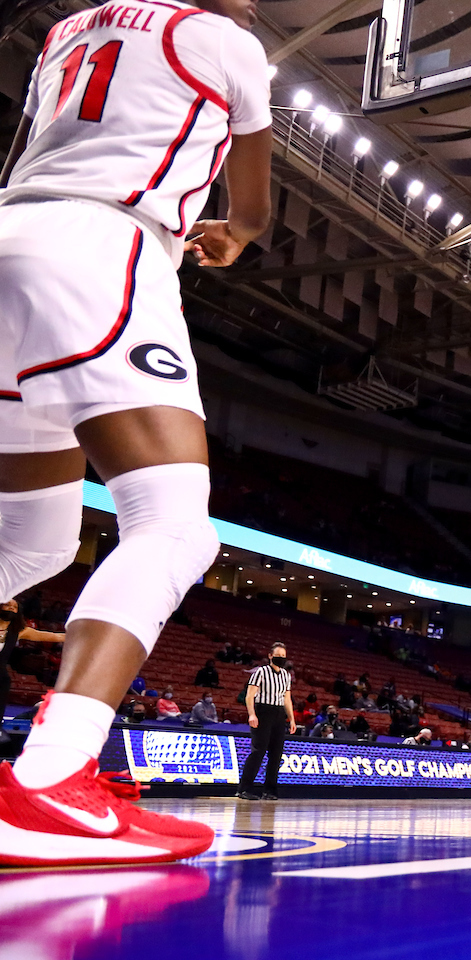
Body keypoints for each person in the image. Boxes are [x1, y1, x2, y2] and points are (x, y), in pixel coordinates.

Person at [0, 0, 273, 866]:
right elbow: (254, 206)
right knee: (175, 527)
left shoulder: (66, 31)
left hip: (11, 235)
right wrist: (238, 236)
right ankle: (51, 779)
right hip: (102, 246)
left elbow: (22, 155)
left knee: (28, 549)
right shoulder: (228, 42)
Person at [236, 643, 295, 801]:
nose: (281, 658)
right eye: (278, 655)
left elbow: (287, 699)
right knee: (258, 751)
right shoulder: (260, 672)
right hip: (263, 712)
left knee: (276, 754)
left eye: (283, 656)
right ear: (270, 656)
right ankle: (244, 789)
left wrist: (292, 718)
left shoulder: (286, 675)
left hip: (279, 713)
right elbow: (249, 696)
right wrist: (252, 714)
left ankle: (270, 790)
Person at [0, 598, 64, 730]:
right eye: (7, 605)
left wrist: (84, 635)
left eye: (15, 607)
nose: (11, 608)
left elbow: (55, 636)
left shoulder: (19, 631)